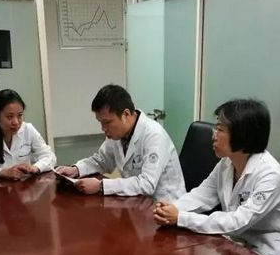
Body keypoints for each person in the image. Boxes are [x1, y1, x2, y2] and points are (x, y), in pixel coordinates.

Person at [153, 99, 280, 255]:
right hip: (237, 244)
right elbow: (202, 195)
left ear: (243, 135)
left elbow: (239, 221)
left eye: (220, 129)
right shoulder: (227, 163)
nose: (213, 135)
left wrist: (181, 217)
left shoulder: (271, 175)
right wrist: (171, 209)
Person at [55, 84, 185, 201]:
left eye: (107, 122)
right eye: (101, 123)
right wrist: (76, 169)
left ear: (126, 114)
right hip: (136, 202)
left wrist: (101, 186)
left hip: (165, 206)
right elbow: (102, 160)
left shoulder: (154, 135)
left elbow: (147, 184)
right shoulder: (117, 134)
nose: (103, 128)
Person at [0, 89, 56, 180]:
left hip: (24, 186)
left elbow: (50, 156)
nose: (16, 122)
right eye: (10, 117)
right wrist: (2, 172)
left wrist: (35, 168)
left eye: (20, 115)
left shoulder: (28, 129)